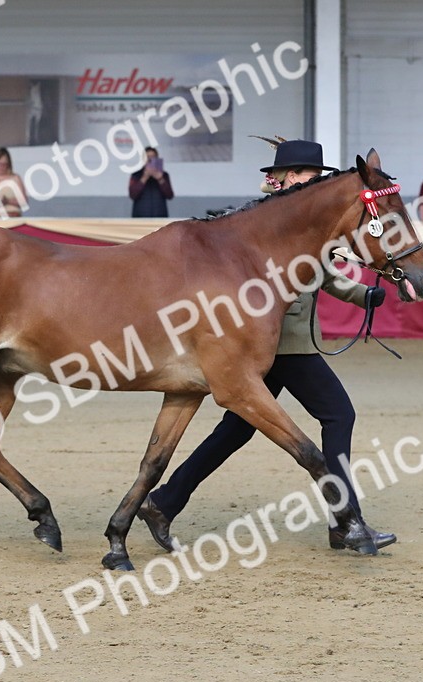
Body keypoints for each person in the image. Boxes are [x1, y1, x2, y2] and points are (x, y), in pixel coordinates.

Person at [138, 139, 398, 554]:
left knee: (235, 430)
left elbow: (325, 272)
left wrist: (363, 295)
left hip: (284, 341)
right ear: (292, 176)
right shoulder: (264, 221)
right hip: (281, 344)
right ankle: (347, 522)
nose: (320, 181)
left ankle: (165, 502)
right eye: (313, 175)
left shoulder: (302, 221)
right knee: (338, 414)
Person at [129, 147, 174, 218]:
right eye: (148, 157)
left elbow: (170, 195)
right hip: (140, 217)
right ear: (144, 159)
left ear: (157, 159)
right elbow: (132, 195)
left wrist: (160, 180)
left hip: (160, 217)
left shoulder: (164, 175)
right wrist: (144, 178)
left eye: (153, 157)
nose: (150, 160)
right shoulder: (136, 175)